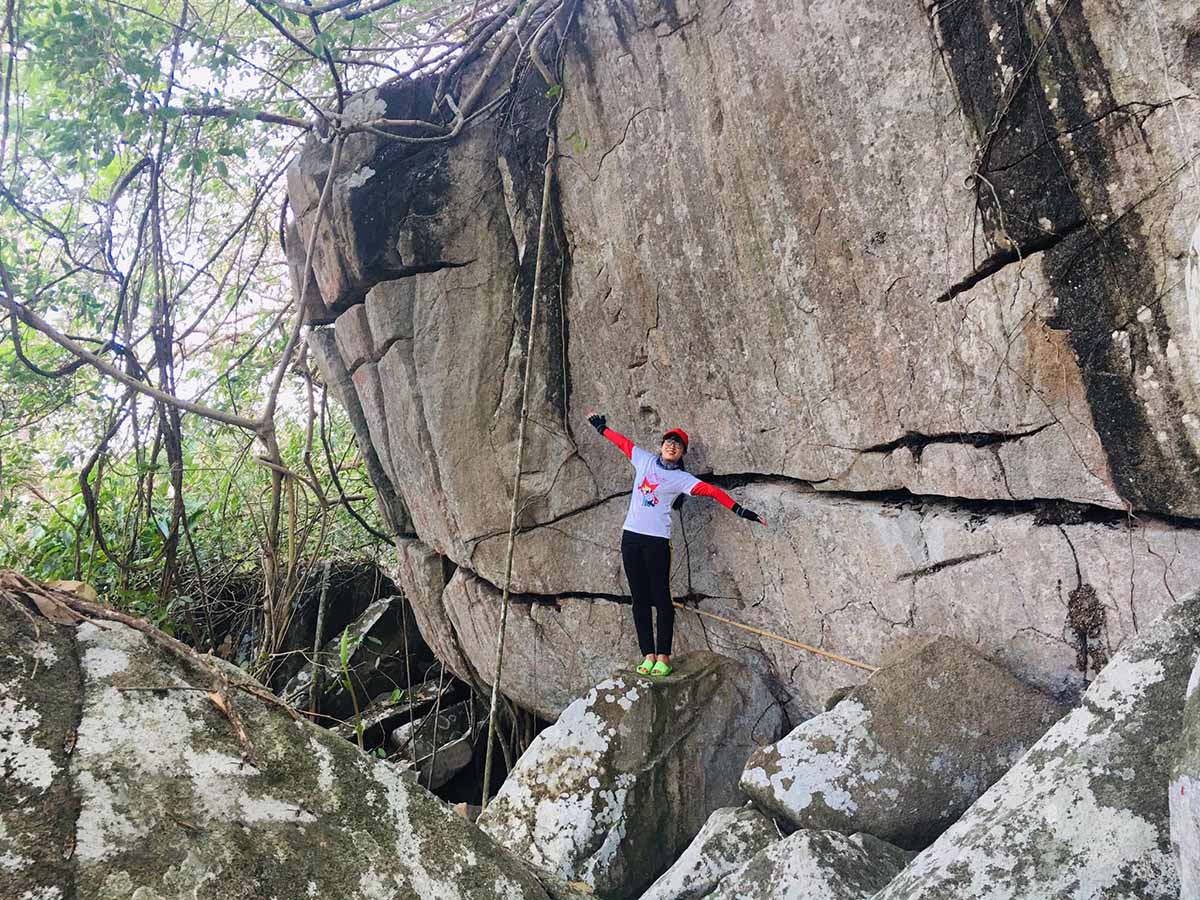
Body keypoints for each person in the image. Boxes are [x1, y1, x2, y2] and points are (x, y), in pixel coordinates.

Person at [587, 413, 767, 677]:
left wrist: (742, 511)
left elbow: (714, 492)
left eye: (678, 444)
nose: (672, 445)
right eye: (668, 441)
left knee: (661, 597)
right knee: (639, 598)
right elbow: (622, 443)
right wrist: (601, 427)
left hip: (657, 541)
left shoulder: (682, 480)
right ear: (661, 446)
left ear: (682, 453)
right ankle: (647, 654)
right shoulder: (644, 460)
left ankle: (663, 656)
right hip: (631, 537)